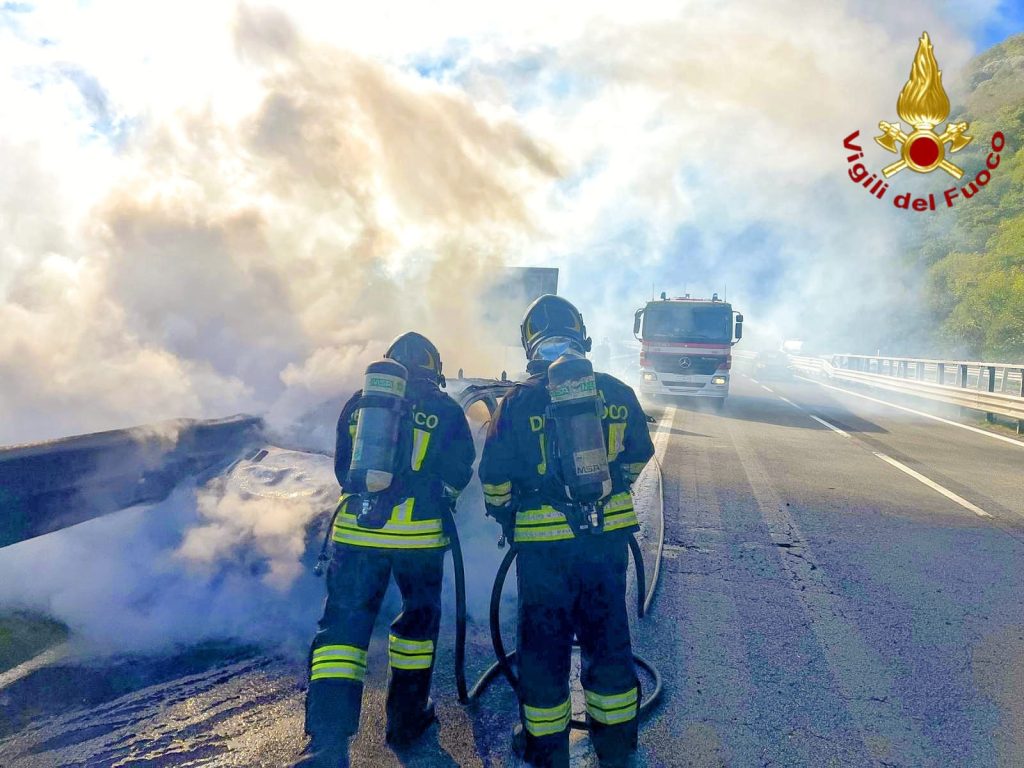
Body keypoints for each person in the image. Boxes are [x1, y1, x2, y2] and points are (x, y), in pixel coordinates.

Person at [479, 295, 655, 768]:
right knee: (607, 638)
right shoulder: (617, 393)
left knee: (544, 648)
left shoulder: (517, 401)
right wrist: (609, 493)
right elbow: (640, 456)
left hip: (542, 549)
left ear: (530, 343)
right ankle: (616, 746)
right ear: (582, 336)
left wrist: (508, 518)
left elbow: (493, 478)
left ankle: (545, 750)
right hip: (604, 543)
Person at [298, 332, 476, 768]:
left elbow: (344, 470)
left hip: (358, 537)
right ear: (434, 369)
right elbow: (460, 470)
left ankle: (326, 744)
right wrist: (438, 493)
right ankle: (406, 723)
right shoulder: (446, 409)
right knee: (415, 634)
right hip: (419, 543)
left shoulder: (361, 403)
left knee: (342, 635)